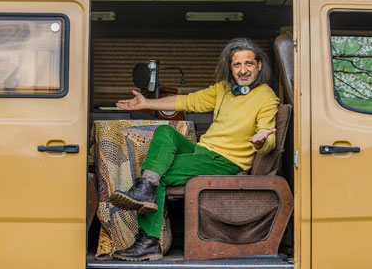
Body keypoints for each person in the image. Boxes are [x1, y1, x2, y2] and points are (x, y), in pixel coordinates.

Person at [110, 37, 279, 261]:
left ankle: (149, 242)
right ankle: (146, 188)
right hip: (203, 152)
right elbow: (187, 101)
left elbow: (268, 139)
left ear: (259, 65)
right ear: (231, 67)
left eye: (249, 64)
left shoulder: (267, 97)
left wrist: (260, 141)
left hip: (226, 161)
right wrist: (147, 104)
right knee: (165, 132)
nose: (243, 70)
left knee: (156, 175)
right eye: (237, 64)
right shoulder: (224, 90)